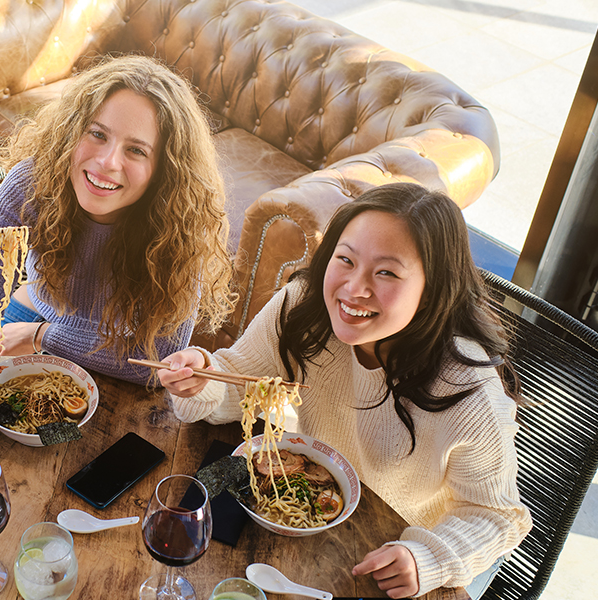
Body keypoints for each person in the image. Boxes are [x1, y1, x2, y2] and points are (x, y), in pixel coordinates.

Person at [157, 183, 531, 599]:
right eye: (346, 260)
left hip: (391, 552)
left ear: (431, 290)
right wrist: (203, 378)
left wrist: (427, 559)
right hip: (303, 525)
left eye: (386, 272)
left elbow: (498, 516)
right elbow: (238, 378)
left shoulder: (468, 392)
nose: (354, 288)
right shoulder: (304, 305)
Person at [0, 55, 234, 384]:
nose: (106, 161)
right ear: (73, 131)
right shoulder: (29, 185)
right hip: (26, 314)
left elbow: (152, 366)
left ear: (165, 169)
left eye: (136, 150)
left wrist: (43, 336)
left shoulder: (183, 226)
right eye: (98, 134)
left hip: (105, 350)